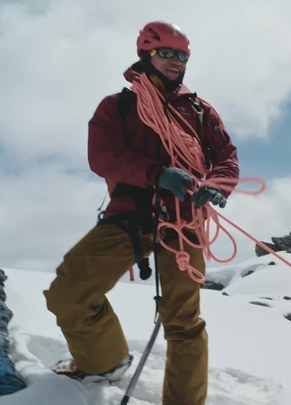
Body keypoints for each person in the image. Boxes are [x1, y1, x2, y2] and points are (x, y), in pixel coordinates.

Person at [44, 21, 239, 405]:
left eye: (182, 55)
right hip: (131, 214)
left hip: (184, 222)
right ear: (146, 55)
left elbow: (226, 156)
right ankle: (106, 362)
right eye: (166, 52)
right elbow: (102, 156)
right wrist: (156, 173)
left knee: (183, 324)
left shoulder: (200, 111)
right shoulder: (118, 106)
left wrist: (217, 184)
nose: (176, 61)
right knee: (70, 292)